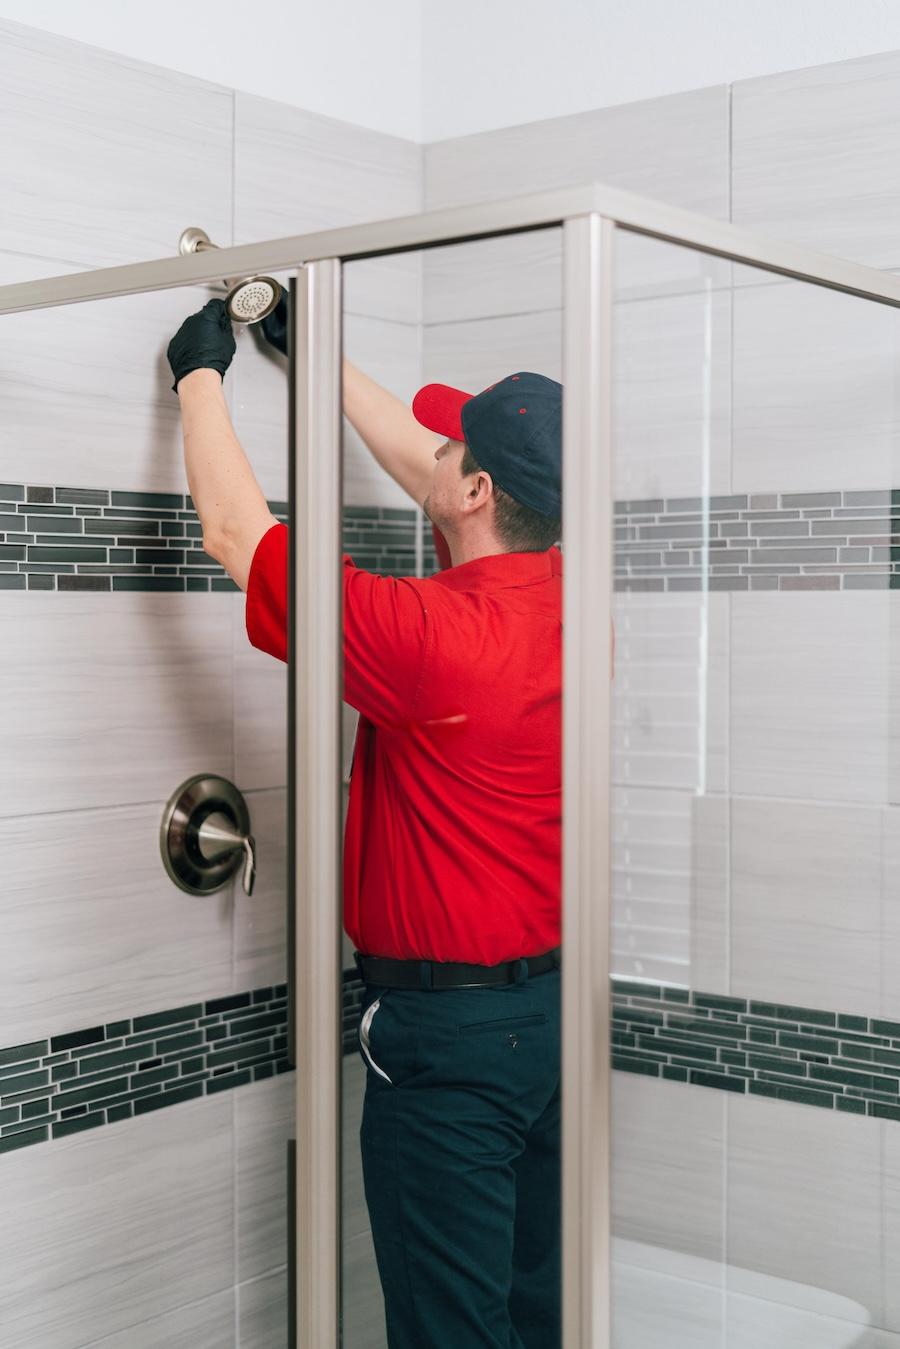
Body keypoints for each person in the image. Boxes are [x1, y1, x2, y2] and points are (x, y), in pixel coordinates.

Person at [166, 294, 609, 1349]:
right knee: (531, 1313)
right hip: (552, 1019)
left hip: (452, 1047)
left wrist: (198, 372)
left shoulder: (434, 638)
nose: (436, 451)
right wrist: (313, 360)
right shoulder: (572, 591)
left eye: (454, 442)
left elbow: (237, 531)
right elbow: (436, 476)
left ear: (481, 487)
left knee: (452, 1330)